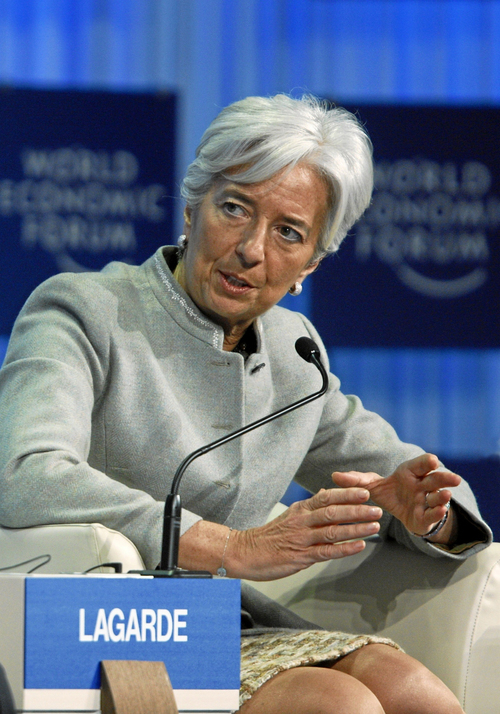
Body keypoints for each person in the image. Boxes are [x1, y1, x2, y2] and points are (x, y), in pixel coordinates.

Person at [0, 94, 491, 714]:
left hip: (230, 625)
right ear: (191, 208)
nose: (252, 249)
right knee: (339, 705)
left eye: (289, 232)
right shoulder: (83, 310)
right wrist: (232, 547)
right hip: (105, 628)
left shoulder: (295, 353)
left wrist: (426, 512)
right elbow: (25, 473)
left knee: (418, 695)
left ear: (310, 265)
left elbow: (423, 486)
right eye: (234, 208)